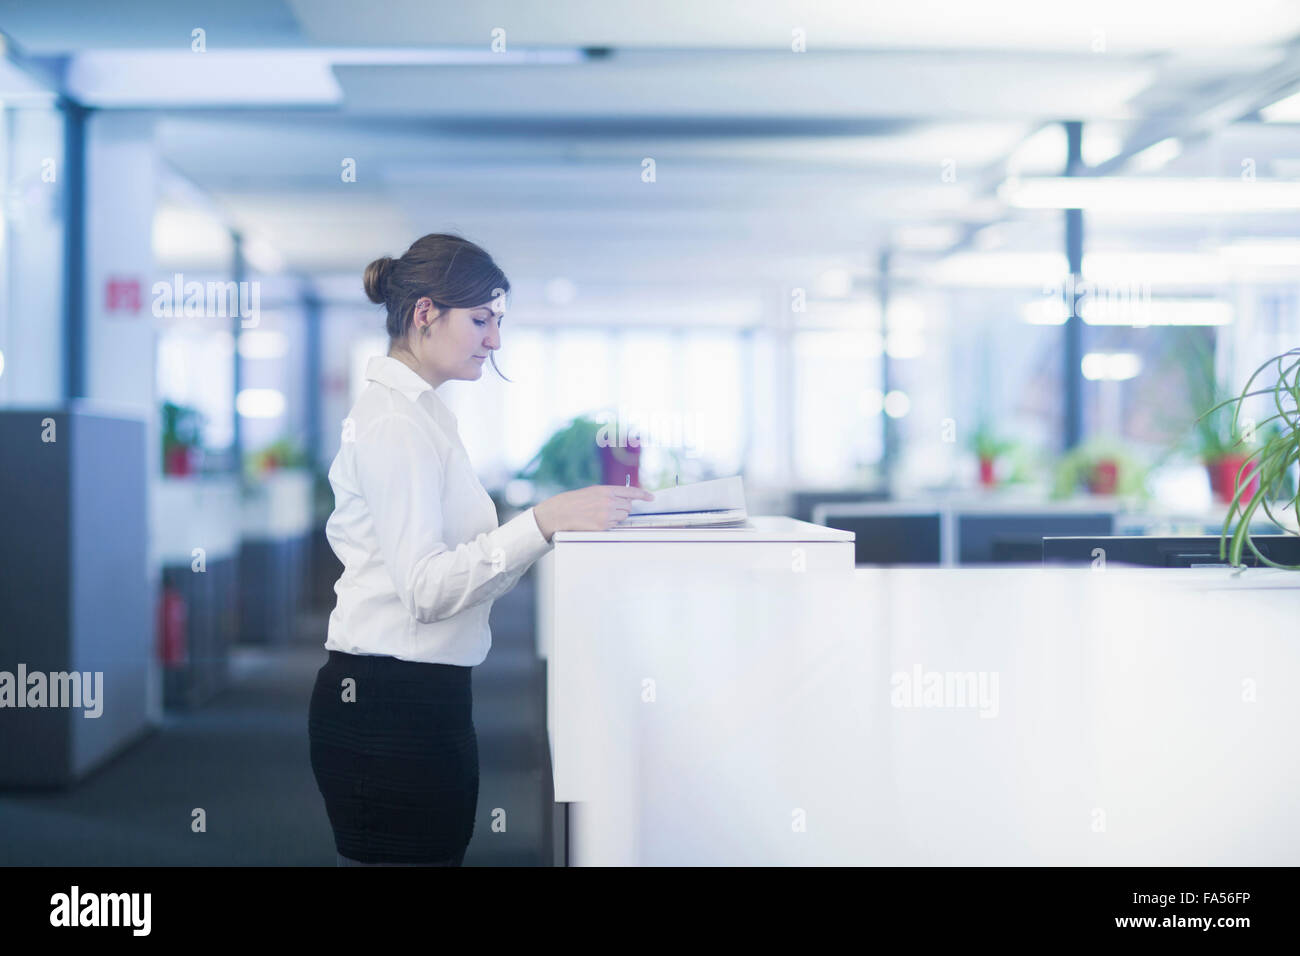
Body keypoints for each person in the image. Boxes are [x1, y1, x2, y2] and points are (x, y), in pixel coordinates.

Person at [307, 233, 653, 865]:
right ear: (424, 314)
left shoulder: (426, 415)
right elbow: (426, 591)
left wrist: (546, 529)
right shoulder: (394, 422)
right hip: (389, 699)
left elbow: (462, 568)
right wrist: (541, 524)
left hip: (426, 694)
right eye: (480, 320)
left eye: (498, 322)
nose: (494, 341)